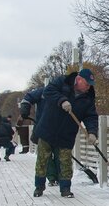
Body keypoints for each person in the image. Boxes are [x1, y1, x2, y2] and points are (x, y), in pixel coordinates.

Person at [31, 68, 99, 198]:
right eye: (87, 84)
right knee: (42, 160)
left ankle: (65, 188)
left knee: (65, 162)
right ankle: (39, 186)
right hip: (48, 129)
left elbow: (91, 117)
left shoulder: (88, 98)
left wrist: (92, 132)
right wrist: (62, 100)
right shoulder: (62, 82)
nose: (89, 87)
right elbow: (48, 91)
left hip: (66, 134)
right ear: (79, 79)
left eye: (91, 84)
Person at [20, 86, 59, 185]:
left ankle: (58, 177)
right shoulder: (42, 92)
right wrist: (25, 109)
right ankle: (52, 177)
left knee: (59, 155)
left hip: (59, 129)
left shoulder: (63, 92)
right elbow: (27, 98)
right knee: (47, 155)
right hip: (44, 129)